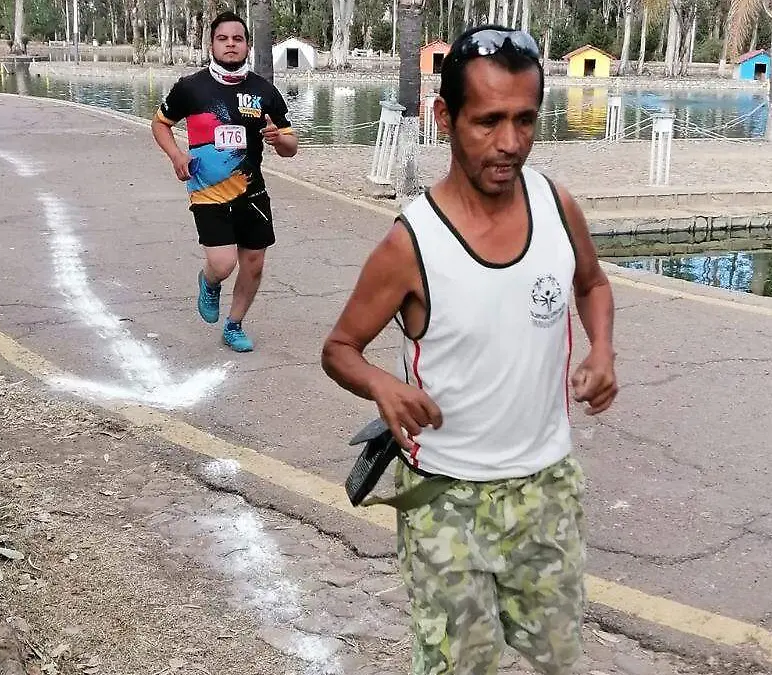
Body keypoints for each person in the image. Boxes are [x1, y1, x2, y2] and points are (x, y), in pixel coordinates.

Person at [320, 25, 618, 675]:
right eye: (487, 122)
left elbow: (592, 283)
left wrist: (603, 349)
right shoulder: (411, 244)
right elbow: (340, 347)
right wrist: (381, 383)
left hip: (547, 489)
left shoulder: (556, 205)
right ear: (444, 117)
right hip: (445, 499)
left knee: (557, 658)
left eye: (525, 120)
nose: (509, 143)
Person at [151, 11, 298, 353]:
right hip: (206, 191)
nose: (231, 44)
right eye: (223, 39)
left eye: (238, 39)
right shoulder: (191, 88)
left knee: (254, 263)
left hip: (252, 190)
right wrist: (177, 156)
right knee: (222, 263)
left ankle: (234, 325)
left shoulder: (264, 92)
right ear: (212, 44)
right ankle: (210, 281)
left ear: (247, 45)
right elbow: (160, 124)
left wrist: (279, 139)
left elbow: (291, 147)